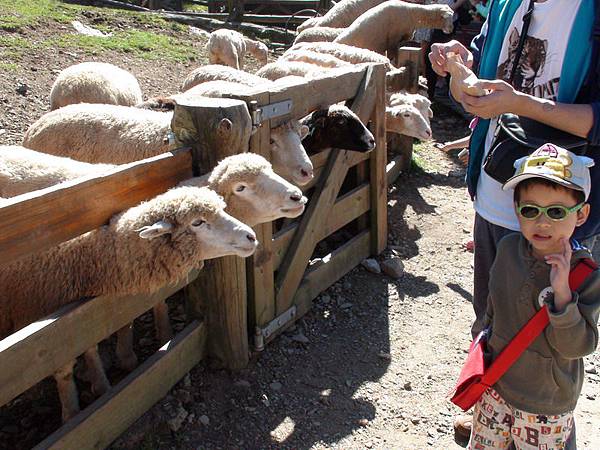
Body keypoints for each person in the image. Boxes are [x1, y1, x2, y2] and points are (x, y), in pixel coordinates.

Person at [428, 0, 600, 440]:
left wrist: (521, 104)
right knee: (492, 306)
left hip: (560, 207)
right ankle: (489, 392)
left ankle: (545, 418)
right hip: (496, 189)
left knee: (550, 321)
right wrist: (462, 62)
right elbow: (491, 56)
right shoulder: (509, 3)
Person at [467, 143, 600, 449]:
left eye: (556, 211)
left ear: (581, 215)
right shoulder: (508, 248)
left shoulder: (586, 275)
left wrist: (563, 294)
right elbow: (492, 310)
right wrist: (479, 352)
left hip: (546, 402)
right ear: (517, 210)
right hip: (495, 385)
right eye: (530, 210)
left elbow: (578, 346)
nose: (542, 223)